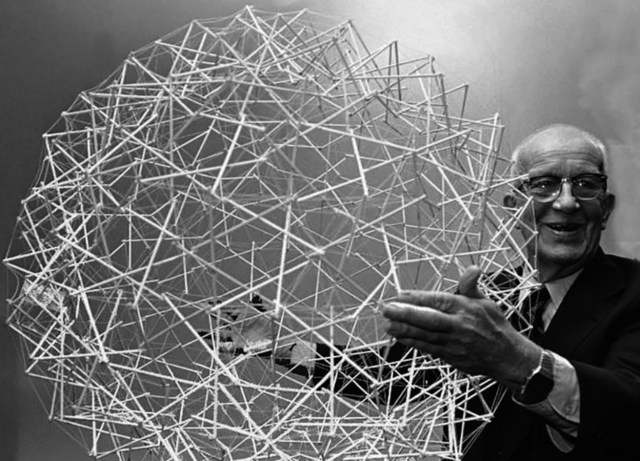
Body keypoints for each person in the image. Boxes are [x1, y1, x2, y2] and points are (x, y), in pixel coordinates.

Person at [205, 124, 640, 460]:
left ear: (605, 208)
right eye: (543, 184)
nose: (566, 201)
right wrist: (280, 345)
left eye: (586, 184)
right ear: (513, 207)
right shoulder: (488, 295)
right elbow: (390, 379)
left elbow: (631, 409)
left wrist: (515, 359)